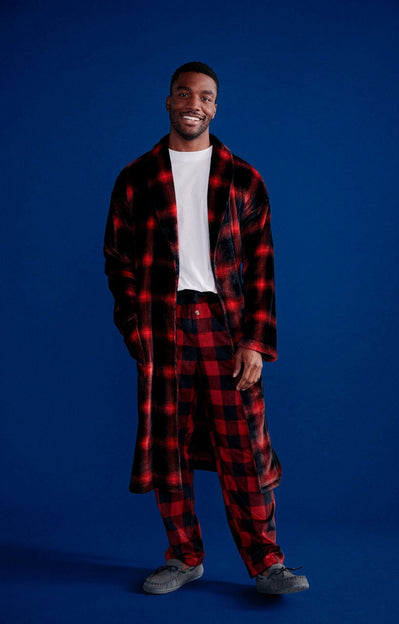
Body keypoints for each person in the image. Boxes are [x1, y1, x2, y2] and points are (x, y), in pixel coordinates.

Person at [104, 61, 309, 596]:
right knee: (169, 447)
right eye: (184, 93)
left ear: (215, 107)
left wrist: (255, 342)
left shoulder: (243, 178)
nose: (194, 103)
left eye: (205, 96)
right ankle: (184, 557)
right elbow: (117, 259)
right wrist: (135, 328)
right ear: (169, 101)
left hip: (226, 327)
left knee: (244, 449)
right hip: (163, 326)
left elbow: (262, 267)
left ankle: (267, 564)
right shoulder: (136, 178)